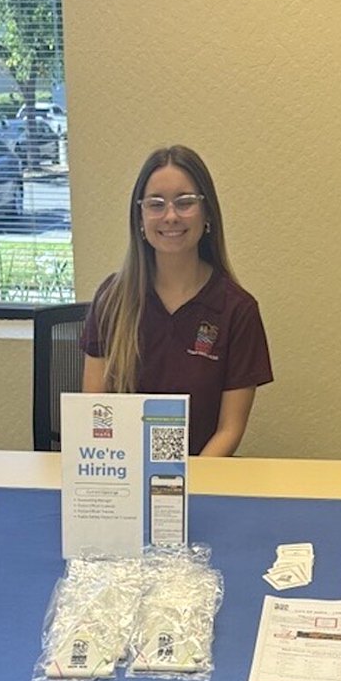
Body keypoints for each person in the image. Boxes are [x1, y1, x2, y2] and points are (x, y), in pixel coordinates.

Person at [81, 145, 272, 456]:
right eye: (156, 204)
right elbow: (95, 412)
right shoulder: (112, 300)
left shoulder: (237, 310)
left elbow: (229, 430)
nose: (170, 216)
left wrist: (182, 487)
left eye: (185, 203)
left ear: (207, 213)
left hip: (202, 482)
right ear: (139, 218)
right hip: (120, 478)